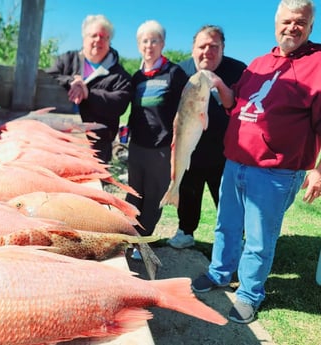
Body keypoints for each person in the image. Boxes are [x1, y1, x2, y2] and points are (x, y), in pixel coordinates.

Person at [191, 0, 321, 324]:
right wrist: (218, 84)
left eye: (300, 22)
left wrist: (318, 170)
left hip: (276, 171)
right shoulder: (260, 62)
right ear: (276, 23)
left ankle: (249, 294)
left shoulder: (318, 65)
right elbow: (235, 103)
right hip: (235, 163)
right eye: (287, 21)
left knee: (259, 238)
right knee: (226, 225)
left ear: (310, 26)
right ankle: (220, 273)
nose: (293, 27)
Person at [167, 25, 247, 249]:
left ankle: (235, 240)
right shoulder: (180, 71)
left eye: (214, 46)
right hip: (190, 146)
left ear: (223, 48)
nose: (207, 51)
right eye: (202, 46)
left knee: (228, 199)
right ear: (193, 48)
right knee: (188, 192)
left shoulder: (238, 70)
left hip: (227, 150)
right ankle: (185, 231)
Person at [125, 20, 189, 259]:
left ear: (162, 43)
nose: (149, 45)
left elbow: (187, 108)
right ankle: (128, 237)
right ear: (139, 45)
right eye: (144, 41)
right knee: (133, 195)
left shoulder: (174, 73)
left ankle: (144, 243)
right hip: (137, 146)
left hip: (162, 148)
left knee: (153, 197)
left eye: (154, 40)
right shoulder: (137, 76)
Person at [45, 14, 132, 164]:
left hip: (97, 145)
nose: (98, 40)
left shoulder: (120, 75)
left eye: (104, 37)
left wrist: (88, 94)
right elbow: (48, 79)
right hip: (59, 139)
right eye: (94, 35)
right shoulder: (67, 60)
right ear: (84, 37)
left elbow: (119, 104)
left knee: (90, 185)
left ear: (109, 41)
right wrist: (71, 81)